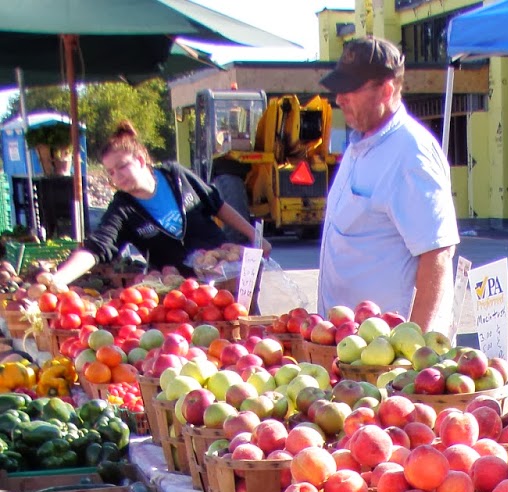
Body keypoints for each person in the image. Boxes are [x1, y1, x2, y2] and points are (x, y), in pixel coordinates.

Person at [318, 38, 458, 333]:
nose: (339, 99)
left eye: (350, 90)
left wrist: (414, 353)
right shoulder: (360, 145)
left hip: (389, 360)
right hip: (352, 350)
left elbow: (438, 255)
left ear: (386, 89)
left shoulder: (411, 153)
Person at [46, 122, 267, 290]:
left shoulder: (176, 175)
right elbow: (97, 247)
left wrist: (255, 236)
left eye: (122, 167)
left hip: (226, 274)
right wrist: (59, 279)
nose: (117, 177)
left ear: (141, 159)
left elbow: (217, 204)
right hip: (181, 293)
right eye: (111, 172)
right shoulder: (123, 208)